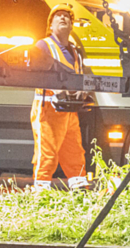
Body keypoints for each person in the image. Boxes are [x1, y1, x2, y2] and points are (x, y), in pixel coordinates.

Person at [30, 2, 89, 191]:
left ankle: (79, 190)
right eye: (58, 15)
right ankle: (41, 192)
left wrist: (82, 90)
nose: (63, 18)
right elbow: (35, 74)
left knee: (74, 153)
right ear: (51, 24)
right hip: (49, 110)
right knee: (46, 153)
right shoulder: (43, 46)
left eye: (67, 16)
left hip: (69, 110)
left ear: (72, 25)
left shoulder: (75, 51)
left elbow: (79, 76)